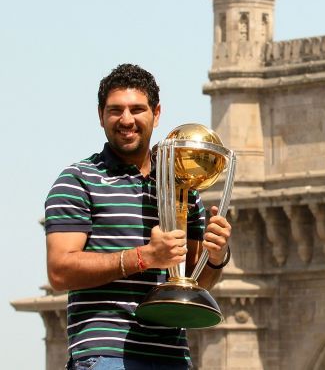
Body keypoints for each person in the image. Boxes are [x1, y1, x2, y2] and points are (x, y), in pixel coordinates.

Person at [45, 64, 233, 370]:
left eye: (137, 109)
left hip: (172, 357)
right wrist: (143, 257)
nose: (126, 120)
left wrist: (216, 255)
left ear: (156, 114)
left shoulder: (183, 188)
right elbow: (60, 270)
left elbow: (197, 282)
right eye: (115, 110)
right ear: (100, 115)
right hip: (106, 356)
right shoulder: (78, 180)